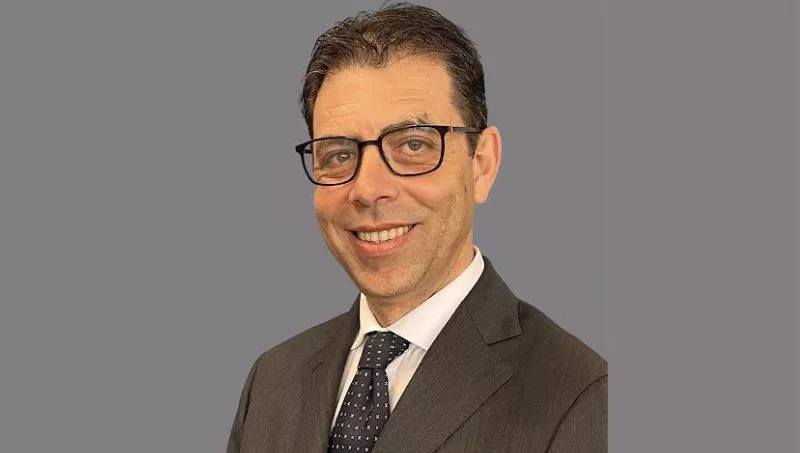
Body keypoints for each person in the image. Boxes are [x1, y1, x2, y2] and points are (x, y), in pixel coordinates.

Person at [226, 3, 606, 452]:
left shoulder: (582, 395)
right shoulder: (272, 379)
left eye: (412, 145)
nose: (368, 190)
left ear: (482, 165)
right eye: (339, 154)